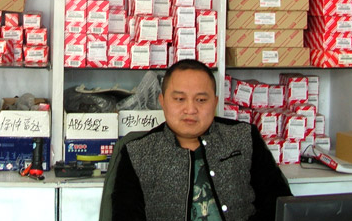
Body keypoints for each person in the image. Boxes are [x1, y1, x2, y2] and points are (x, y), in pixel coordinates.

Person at [99, 60, 292, 221]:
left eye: (201, 100)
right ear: (162, 101)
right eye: (179, 99)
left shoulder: (243, 137)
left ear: (215, 103)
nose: (190, 109)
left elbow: (279, 205)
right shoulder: (138, 152)